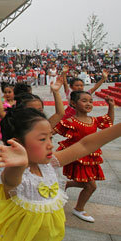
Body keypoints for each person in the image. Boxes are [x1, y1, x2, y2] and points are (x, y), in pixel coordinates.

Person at [0, 106, 121, 241]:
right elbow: (10, 180)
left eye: (50, 138)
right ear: (18, 144)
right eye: (42, 139)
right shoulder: (14, 174)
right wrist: (20, 164)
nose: (50, 145)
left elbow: (85, 145)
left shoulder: (48, 164)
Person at [54, 91, 114, 222]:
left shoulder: (94, 120)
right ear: (73, 103)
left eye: (91, 101)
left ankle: (66, 185)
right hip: (78, 158)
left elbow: (109, 124)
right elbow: (51, 131)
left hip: (90, 157)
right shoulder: (70, 122)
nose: (89, 104)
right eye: (84, 101)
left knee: (84, 183)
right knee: (91, 186)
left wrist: (111, 106)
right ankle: (79, 209)